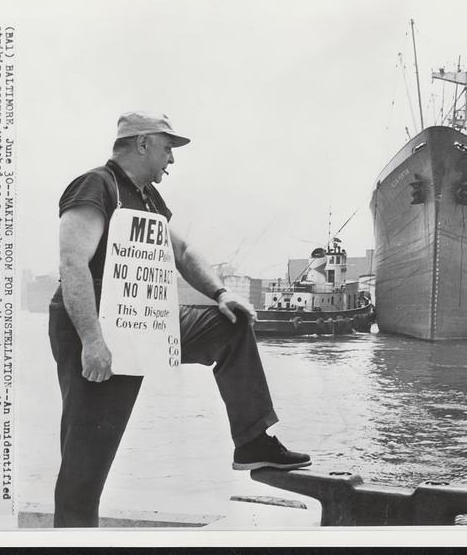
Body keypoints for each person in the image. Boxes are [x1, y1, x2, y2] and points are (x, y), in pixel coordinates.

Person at [48, 111, 310, 528]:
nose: (172, 159)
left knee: (231, 325)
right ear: (143, 143)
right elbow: (72, 262)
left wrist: (221, 294)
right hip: (96, 327)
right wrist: (93, 342)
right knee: (88, 458)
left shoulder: (148, 197)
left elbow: (183, 253)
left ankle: (252, 441)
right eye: (168, 147)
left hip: (143, 321)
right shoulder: (97, 185)